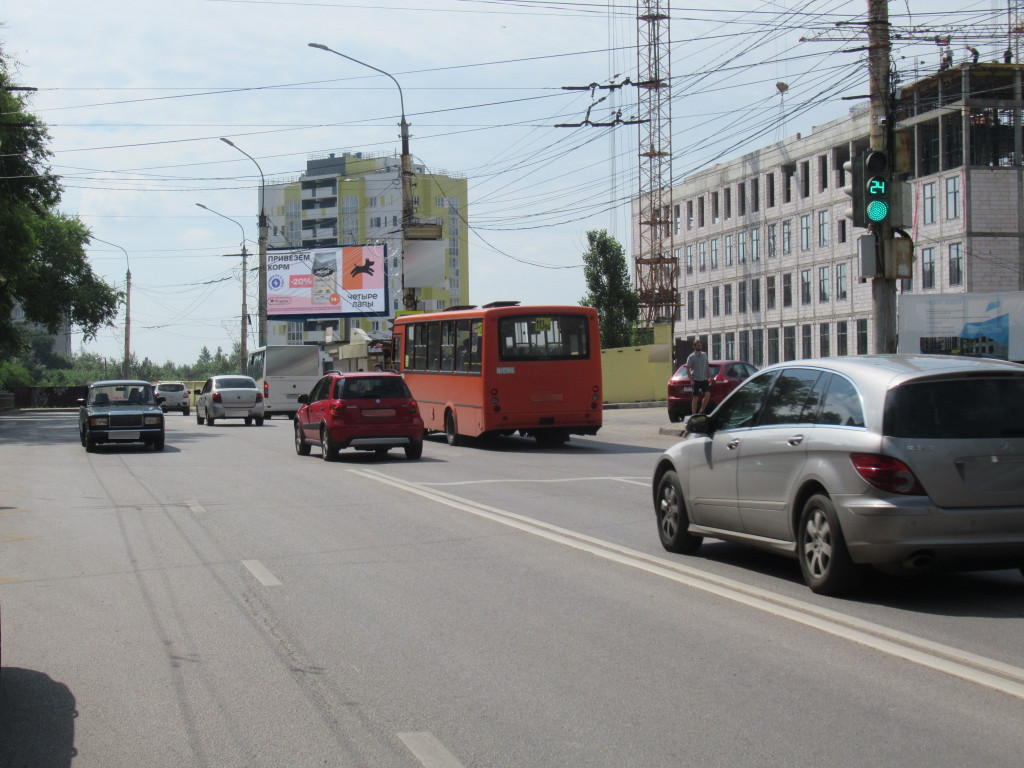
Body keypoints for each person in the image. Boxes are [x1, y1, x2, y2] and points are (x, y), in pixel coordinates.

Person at [685, 339, 711, 416]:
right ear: (694, 346)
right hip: (696, 379)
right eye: (698, 345)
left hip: (704, 378)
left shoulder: (704, 354)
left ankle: (701, 410)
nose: (700, 346)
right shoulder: (691, 357)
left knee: (707, 394)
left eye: (700, 345)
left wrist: (709, 377)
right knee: (695, 397)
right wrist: (691, 380)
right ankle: (693, 414)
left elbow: (707, 366)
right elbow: (687, 369)